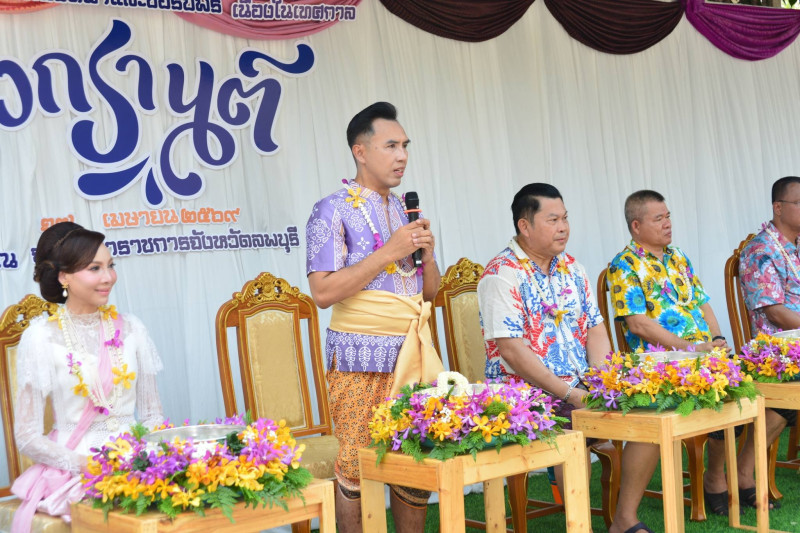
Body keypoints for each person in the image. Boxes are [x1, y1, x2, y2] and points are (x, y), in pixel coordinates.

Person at [478, 183, 660, 533]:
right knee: (572, 424)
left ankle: (625, 518)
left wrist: (606, 382)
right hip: (525, 392)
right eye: (553, 220)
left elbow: (595, 328)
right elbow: (512, 351)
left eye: (565, 218)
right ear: (524, 225)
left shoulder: (572, 268)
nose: (563, 227)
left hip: (580, 382)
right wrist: (569, 393)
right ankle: (580, 526)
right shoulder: (502, 274)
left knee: (645, 412)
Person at [305, 102, 442, 533]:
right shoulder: (330, 210)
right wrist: (390, 252)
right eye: (391, 146)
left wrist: (427, 254)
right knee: (356, 466)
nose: (402, 156)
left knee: (413, 460)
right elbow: (323, 292)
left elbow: (430, 293)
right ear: (360, 152)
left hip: (412, 350)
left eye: (405, 146)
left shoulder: (405, 210)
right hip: (359, 356)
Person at [607, 189, 786, 514]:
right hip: (664, 364)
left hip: (703, 355)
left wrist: (717, 339)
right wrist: (692, 349)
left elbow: (703, 304)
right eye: (658, 219)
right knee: (727, 393)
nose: (667, 223)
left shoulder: (678, 256)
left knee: (771, 391)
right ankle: (715, 479)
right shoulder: (624, 265)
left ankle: (733, 473)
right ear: (636, 226)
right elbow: (638, 325)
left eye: (668, 216)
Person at [11, 221, 164, 532]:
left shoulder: (132, 328)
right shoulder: (41, 337)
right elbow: (26, 435)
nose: (108, 277)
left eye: (110, 266)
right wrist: (89, 466)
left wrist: (141, 458)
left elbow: (152, 416)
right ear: (63, 276)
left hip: (135, 465)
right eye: (95, 268)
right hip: (76, 469)